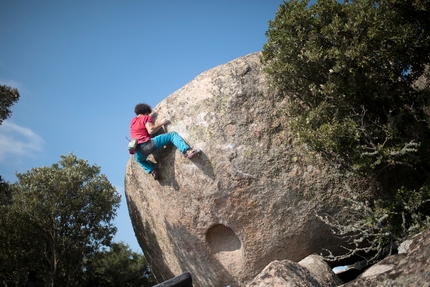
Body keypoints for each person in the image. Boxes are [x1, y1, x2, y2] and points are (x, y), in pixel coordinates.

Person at [130, 103, 200, 180]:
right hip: (147, 145)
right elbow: (151, 130)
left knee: (140, 160)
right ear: (146, 112)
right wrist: (161, 123)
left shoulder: (133, 122)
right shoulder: (146, 117)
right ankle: (187, 152)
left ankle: (152, 171)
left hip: (137, 152)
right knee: (172, 135)